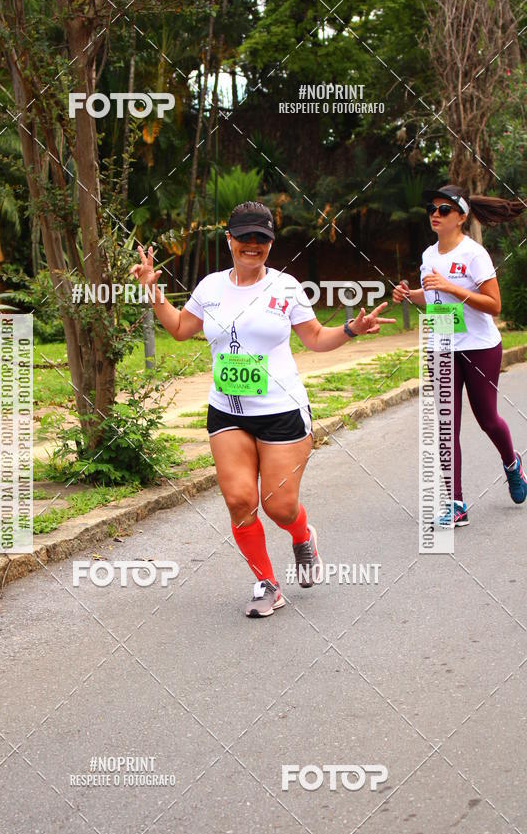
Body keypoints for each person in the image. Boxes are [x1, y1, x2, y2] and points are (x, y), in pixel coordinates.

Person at [131, 201, 394, 617]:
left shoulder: (286, 287)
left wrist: (350, 329)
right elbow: (180, 329)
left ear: (270, 244)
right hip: (228, 411)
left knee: (278, 506)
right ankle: (267, 584)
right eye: (245, 237)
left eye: (262, 239)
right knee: (239, 500)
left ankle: (302, 533)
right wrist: (152, 289)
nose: (253, 245)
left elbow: (315, 339)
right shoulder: (210, 287)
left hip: (281, 411)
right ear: (229, 239)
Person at [392, 184, 527, 526]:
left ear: (462, 217)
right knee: (446, 426)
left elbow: (494, 305)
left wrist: (452, 287)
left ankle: (512, 464)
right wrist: (410, 295)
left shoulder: (474, 254)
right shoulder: (428, 255)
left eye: (444, 210)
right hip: (442, 347)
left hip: (480, 346)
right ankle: (456, 503)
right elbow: (433, 299)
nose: (435, 215)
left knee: (488, 419)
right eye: (432, 209)